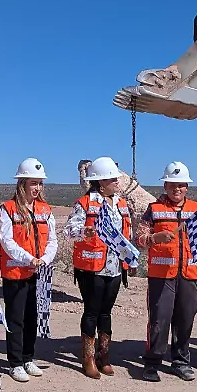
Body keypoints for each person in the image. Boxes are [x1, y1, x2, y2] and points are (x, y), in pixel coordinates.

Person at [137, 162, 197, 383]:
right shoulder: (154, 210)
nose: (177, 189)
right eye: (172, 185)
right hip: (161, 275)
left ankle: (181, 362)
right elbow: (139, 239)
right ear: (165, 185)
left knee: (185, 318)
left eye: (181, 185)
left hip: (190, 273)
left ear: (187, 187)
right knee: (159, 320)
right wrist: (153, 239)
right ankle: (152, 363)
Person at [66, 156, 133, 379]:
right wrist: (84, 231)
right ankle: (88, 359)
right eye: (112, 178)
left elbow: (127, 235)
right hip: (91, 267)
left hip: (115, 267)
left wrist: (130, 260)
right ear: (101, 182)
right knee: (92, 312)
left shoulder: (121, 204)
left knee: (106, 312)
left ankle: (104, 356)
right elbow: (70, 230)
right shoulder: (84, 203)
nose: (117, 181)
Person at [0, 158, 57, 382]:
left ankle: (28, 357)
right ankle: (14, 363)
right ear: (21, 183)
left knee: (33, 317)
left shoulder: (45, 210)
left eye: (40, 183)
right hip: (15, 274)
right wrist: (28, 258)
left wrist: (45, 259)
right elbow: (7, 241)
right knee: (16, 319)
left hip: (38, 273)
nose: (37, 188)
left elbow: (52, 239)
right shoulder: (8, 209)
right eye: (33, 183)